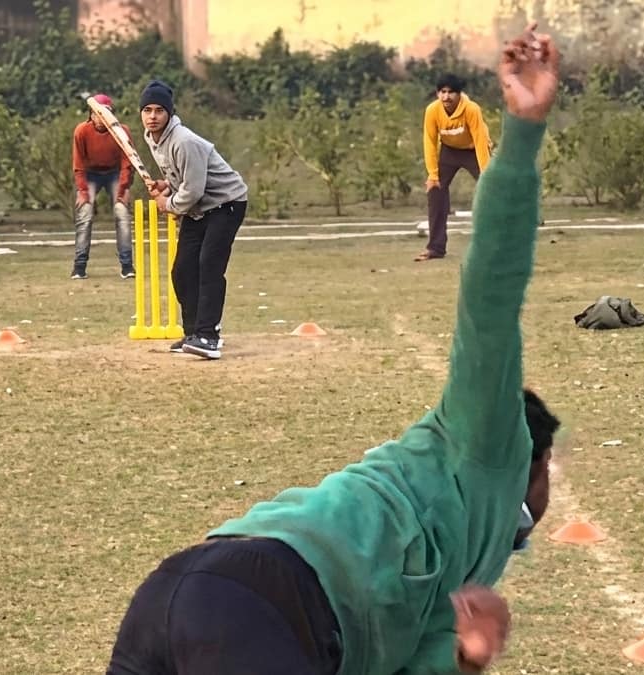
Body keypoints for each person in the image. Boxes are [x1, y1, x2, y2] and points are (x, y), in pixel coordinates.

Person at [107, 24, 562, 674]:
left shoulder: (458, 537)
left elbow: (400, 654)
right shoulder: (490, 441)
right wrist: (522, 133)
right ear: (534, 464)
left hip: (184, 588)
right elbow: (491, 293)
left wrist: (465, 657)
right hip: (273, 602)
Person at [140, 80, 248, 360]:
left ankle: (209, 336)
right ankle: (193, 334)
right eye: (147, 110)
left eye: (159, 111)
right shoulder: (152, 138)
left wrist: (168, 204)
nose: (153, 116)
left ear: (170, 113)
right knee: (183, 271)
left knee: (209, 266)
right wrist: (168, 184)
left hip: (227, 203)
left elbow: (194, 189)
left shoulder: (184, 140)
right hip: (199, 208)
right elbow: (185, 177)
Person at [417, 73, 493, 262]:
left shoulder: (471, 109)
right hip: (449, 151)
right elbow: (429, 141)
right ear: (437, 94)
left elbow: (480, 140)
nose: (446, 97)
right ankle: (435, 248)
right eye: (443, 92)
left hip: (473, 150)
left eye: (451, 92)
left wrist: (486, 173)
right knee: (435, 191)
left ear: (459, 94)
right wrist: (433, 175)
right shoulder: (433, 111)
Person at [71, 94, 136, 280]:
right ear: (91, 115)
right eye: (97, 114)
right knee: (85, 213)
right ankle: (79, 266)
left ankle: (127, 266)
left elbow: (127, 162)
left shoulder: (121, 131)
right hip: (90, 173)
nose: (101, 119)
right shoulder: (82, 131)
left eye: (105, 114)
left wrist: (124, 188)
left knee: (122, 213)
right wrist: (83, 191)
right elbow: (78, 164)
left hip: (114, 173)